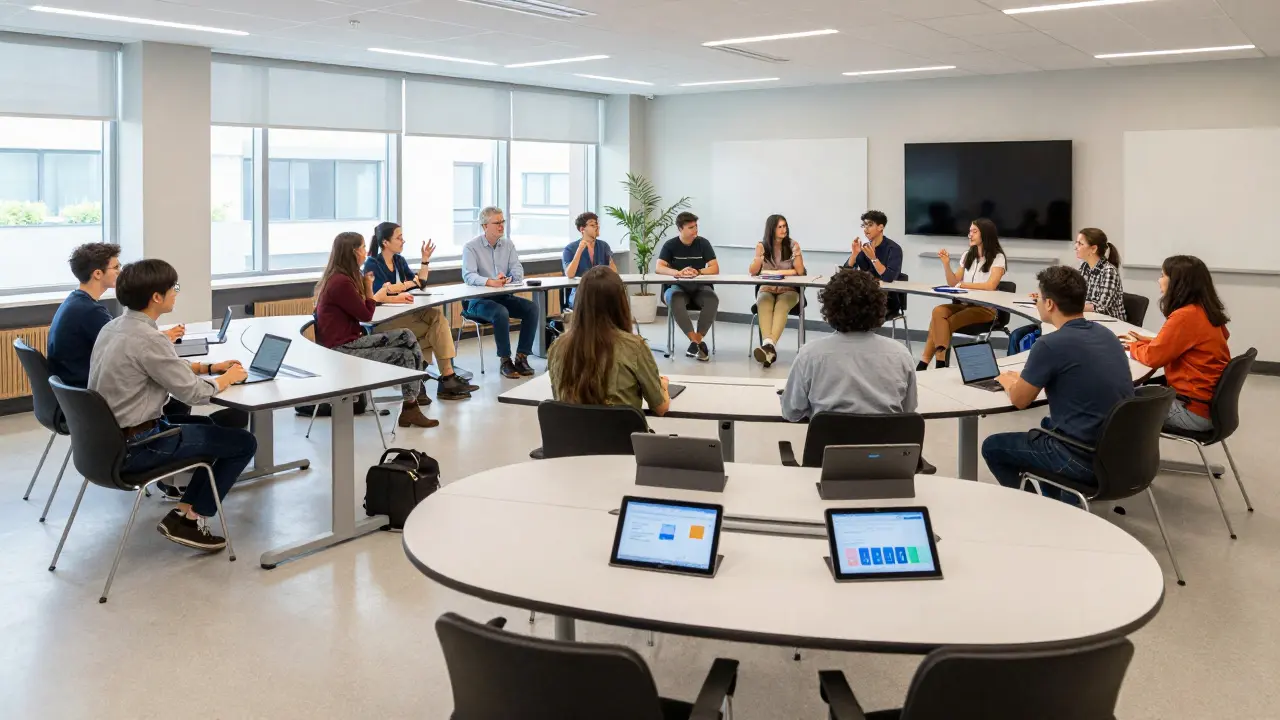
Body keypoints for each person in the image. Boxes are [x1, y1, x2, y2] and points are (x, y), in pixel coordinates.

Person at [87, 259, 256, 551]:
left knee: (213, 429)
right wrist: (228, 378)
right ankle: (193, 519)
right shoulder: (150, 339)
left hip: (105, 443)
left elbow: (162, 366)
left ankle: (185, 510)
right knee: (243, 443)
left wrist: (209, 367)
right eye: (173, 288)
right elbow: (195, 395)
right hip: (142, 446)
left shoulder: (113, 328)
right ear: (156, 297)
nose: (176, 294)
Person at [981, 266, 1134, 503]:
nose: (1037, 303)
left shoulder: (1049, 345)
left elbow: (1020, 401)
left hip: (1082, 459)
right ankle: (1056, 504)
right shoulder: (1107, 334)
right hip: (1120, 456)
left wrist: (1008, 381)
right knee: (1046, 425)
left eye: (1039, 298)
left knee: (993, 447)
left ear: (1050, 304)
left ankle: (1039, 510)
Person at [315, 232, 437, 429]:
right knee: (405, 353)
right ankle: (412, 404)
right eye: (363, 248)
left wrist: (369, 291)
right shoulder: (341, 282)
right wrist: (370, 289)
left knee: (407, 336)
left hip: (350, 341)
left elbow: (362, 310)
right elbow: (366, 314)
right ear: (354, 252)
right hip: (343, 349)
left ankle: (414, 398)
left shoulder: (341, 277)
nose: (366, 252)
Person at [781, 269, 917, 421]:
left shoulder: (810, 355)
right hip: (884, 442)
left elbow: (792, 412)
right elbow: (908, 409)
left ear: (829, 307)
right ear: (879, 306)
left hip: (827, 441)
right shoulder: (901, 354)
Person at [363, 222, 476, 402]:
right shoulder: (372, 263)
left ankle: (445, 376)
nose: (403, 241)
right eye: (399, 238)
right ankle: (440, 381)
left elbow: (420, 282)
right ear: (385, 242)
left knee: (437, 317)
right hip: (384, 321)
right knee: (434, 331)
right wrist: (406, 286)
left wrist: (425, 260)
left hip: (405, 314)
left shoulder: (399, 260)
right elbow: (380, 294)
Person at [1122, 255, 1230, 433]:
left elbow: (1152, 357)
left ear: (1178, 284)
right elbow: (1184, 345)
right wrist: (1148, 342)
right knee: (1132, 394)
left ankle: (1124, 459)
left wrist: (1133, 346)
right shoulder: (1205, 310)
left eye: (1163, 275)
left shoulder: (1185, 316)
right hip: (1207, 406)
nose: (1159, 280)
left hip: (1191, 410)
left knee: (1116, 405)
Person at [548, 266, 669, 415]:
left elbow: (559, 400)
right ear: (620, 303)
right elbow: (660, 408)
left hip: (572, 436)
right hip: (622, 437)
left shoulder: (558, 347)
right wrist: (662, 387)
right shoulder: (634, 347)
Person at [1007, 227, 1126, 354]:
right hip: (1083, 320)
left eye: (1080, 244)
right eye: (1076, 242)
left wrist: (1064, 305)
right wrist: (1047, 296)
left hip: (1106, 326)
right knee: (1017, 335)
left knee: (1047, 340)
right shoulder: (1084, 267)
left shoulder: (1108, 271)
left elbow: (1101, 307)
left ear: (1093, 249)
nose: (1076, 247)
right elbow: (1072, 294)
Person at [461, 206, 542, 380]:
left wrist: (507, 278)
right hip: (477, 301)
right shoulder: (471, 247)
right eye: (496, 222)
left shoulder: (508, 244)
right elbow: (468, 275)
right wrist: (490, 281)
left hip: (503, 296)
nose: (501, 226)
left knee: (532, 308)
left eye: (502, 222)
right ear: (484, 226)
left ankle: (521, 357)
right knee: (500, 312)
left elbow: (518, 270)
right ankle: (505, 360)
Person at [919, 218, 1007, 370]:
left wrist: (963, 285)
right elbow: (953, 283)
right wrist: (946, 265)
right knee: (938, 311)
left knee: (945, 323)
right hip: (965, 305)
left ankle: (927, 363)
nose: (969, 235)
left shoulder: (998, 258)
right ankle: (938, 363)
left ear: (985, 234)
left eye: (974, 231)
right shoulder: (967, 255)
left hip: (986, 309)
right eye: (969, 231)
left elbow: (991, 286)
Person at [656, 211, 719, 361]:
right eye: (691, 227)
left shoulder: (703, 243)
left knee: (712, 299)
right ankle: (696, 342)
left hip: (699, 287)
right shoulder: (670, 245)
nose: (695, 230)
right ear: (680, 229)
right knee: (674, 298)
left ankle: (695, 342)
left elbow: (715, 268)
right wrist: (678, 273)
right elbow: (659, 267)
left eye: (696, 226)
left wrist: (698, 271)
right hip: (677, 288)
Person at [748, 214, 806, 368]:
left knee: (781, 306)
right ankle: (769, 347)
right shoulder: (762, 245)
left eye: (785, 226)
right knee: (763, 301)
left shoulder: (793, 245)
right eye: (780, 227)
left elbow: (799, 272)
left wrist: (797, 255)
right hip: (767, 287)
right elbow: (753, 272)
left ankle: (767, 345)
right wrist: (759, 258)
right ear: (771, 229)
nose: (783, 229)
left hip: (789, 289)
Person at [843, 209, 906, 325]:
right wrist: (854, 254)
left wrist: (873, 258)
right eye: (864, 225)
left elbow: (889, 277)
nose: (865, 229)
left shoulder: (893, 249)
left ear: (880, 227)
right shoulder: (865, 248)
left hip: (887, 299)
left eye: (870, 225)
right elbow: (845, 273)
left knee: (854, 308)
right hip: (864, 295)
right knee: (843, 302)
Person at [562, 211, 616, 308]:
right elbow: (570, 274)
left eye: (597, 224)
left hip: (601, 290)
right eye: (592, 225)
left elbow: (614, 272)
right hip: (581, 293)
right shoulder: (570, 248)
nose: (597, 227)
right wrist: (579, 251)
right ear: (582, 229)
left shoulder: (603, 246)